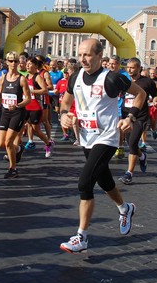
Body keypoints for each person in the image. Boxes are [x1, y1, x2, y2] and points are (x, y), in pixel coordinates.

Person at [59, 39, 146, 254]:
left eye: (88, 55)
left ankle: (82, 237)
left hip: (107, 137)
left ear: (99, 56)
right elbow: (65, 104)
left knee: (85, 182)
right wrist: (64, 116)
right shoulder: (74, 77)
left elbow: (141, 95)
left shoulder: (112, 78)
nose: (83, 59)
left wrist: (131, 118)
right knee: (104, 180)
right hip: (87, 137)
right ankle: (125, 208)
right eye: (80, 55)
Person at [0, 51, 31, 178]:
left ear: (19, 63)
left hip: (18, 113)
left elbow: (28, 99)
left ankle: (13, 168)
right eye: (11, 61)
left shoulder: (22, 79)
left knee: (8, 142)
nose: (14, 63)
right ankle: (18, 149)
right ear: (6, 62)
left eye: (16, 61)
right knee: (0, 144)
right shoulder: (3, 78)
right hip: (5, 112)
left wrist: (18, 105)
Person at [118, 58, 157, 185]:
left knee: (132, 142)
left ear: (139, 68)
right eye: (128, 67)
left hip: (140, 116)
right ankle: (142, 156)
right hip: (126, 116)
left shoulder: (147, 82)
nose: (129, 70)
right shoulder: (124, 81)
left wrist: (155, 101)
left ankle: (129, 173)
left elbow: (156, 94)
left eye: (132, 67)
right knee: (131, 144)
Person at [23, 57, 55, 158]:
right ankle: (18, 147)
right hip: (25, 105)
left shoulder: (38, 77)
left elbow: (45, 90)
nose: (27, 65)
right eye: (27, 63)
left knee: (37, 129)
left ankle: (48, 143)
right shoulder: (25, 77)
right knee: (23, 126)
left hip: (36, 106)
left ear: (36, 66)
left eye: (30, 64)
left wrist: (31, 91)